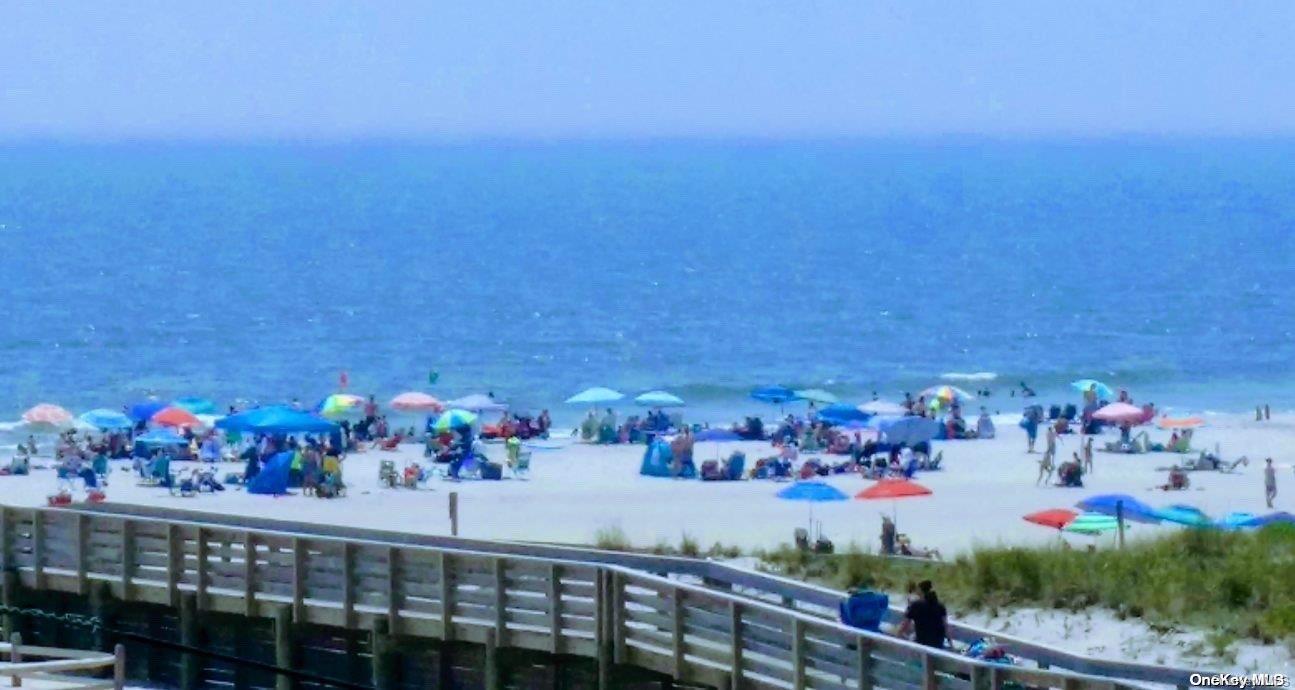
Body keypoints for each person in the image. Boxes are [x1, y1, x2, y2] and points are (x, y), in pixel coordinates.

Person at [897, 580, 948, 649]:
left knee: (910, 637)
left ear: (920, 590)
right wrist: (951, 645)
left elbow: (904, 626)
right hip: (937, 643)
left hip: (921, 642)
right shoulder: (940, 606)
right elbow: (946, 627)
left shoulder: (916, 605)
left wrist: (897, 636)